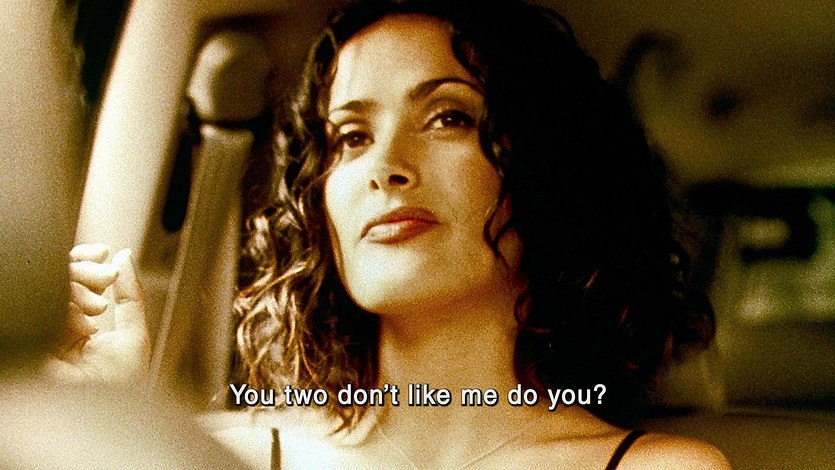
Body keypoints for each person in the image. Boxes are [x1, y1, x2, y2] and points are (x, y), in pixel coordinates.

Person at [63, 0, 730, 468]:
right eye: (351, 137)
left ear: (547, 167)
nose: (384, 166)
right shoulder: (215, 458)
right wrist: (105, 415)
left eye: (448, 118)